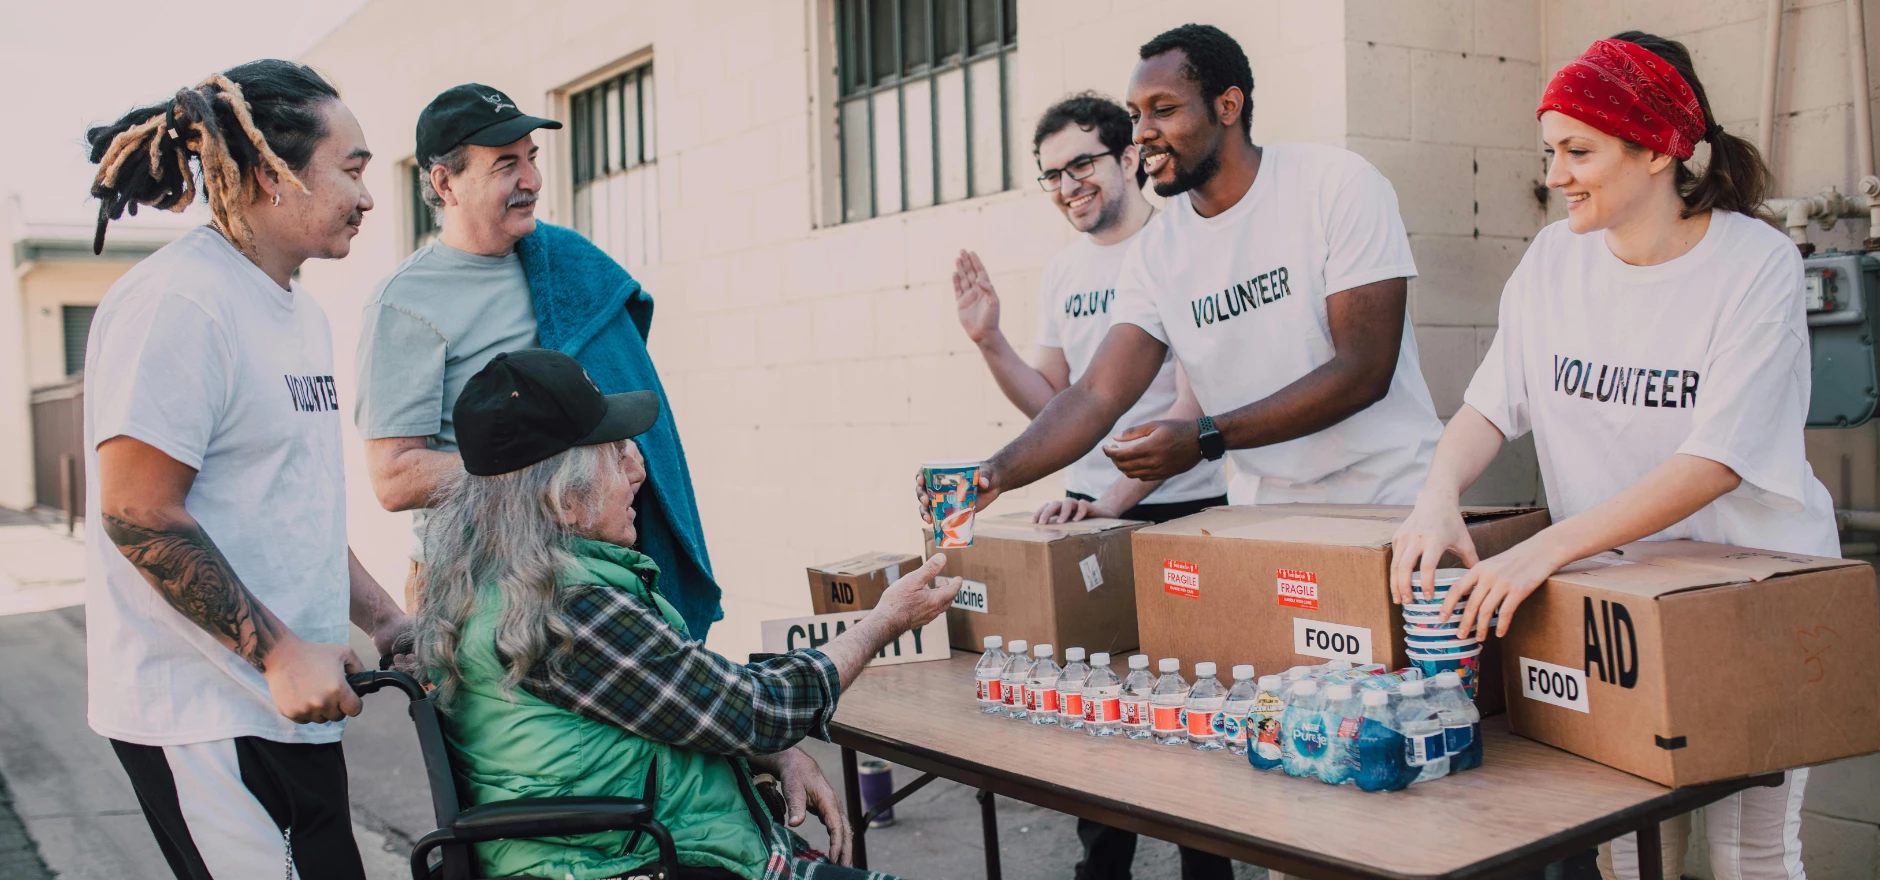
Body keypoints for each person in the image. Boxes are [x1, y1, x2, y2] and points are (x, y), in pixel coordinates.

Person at [1389, 33, 1831, 880]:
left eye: (1578, 151)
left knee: (1751, 857)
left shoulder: (1756, 263)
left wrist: (1545, 549)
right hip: (1619, 598)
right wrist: (1436, 493)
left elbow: (1717, 460)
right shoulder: (1556, 258)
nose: (1555, 175)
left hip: (1753, 594)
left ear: (1660, 148)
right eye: (1550, 151)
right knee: (1630, 852)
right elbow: (1490, 401)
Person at [415, 348, 960, 880]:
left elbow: (685, 709)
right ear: (563, 502)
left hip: (611, 852)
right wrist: (884, 621)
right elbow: (757, 708)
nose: (638, 469)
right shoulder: (565, 612)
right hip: (639, 864)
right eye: (614, 453)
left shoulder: (492, 585)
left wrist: (773, 756)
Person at [82, 60, 411, 879]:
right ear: (271, 174)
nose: (369, 198)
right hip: (204, 715)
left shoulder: (297, 312)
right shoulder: (182, 303)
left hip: (286, 713)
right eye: (353, 170)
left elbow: (285, 509)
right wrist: (276, 652)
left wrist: (382, 619)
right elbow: (136, 511)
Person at [921, 24, 1442, 532]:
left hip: (1390, 504)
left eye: (1163, 110)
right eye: (1134, 115)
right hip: (1267, 514)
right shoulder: (1156, 252)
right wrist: (994, 474)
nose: (1142, 131)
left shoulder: (1336, 185)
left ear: (1227, 106)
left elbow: (1364, 370)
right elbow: (1098, 394)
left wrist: (1205, 436)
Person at [355, 83, 723, 639]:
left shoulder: (566, 264)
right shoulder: (405, 304)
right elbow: (394, 477)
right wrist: (551, 466)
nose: (531, 180)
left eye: (532, 158)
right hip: (475, 581)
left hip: (592, 570)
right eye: (506, 164)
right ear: (444, 182)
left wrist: (608, 457)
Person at [952, 92, 1226, 527]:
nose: (1067, 188)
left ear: (1130, 159)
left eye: (1081, 165)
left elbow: (1193, 407)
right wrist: (989, 340)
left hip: (1180, 504)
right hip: (1081, 506)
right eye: (1053, 175)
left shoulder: (1182, 247)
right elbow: (1055, 403)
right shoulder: (1063, 270)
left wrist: (1110, 505)